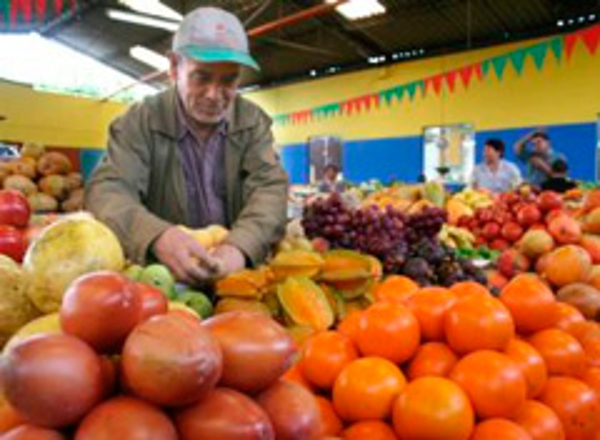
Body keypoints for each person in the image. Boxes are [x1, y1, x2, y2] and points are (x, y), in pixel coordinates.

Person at [85, 7, 288, 285]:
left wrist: (241, 247)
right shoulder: (138, 123)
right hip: (160, 279)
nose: (214, 95)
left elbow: (270, 189)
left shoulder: (252, 123)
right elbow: (108, 191)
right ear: (173, 67)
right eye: (201, 77)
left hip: (235, 278)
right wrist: (155, 236)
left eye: (229, 80)